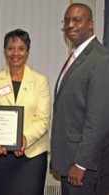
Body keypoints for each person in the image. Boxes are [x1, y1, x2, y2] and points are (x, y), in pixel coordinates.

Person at [51, 3, 109, 195]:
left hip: (83, 166)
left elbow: (98, 119)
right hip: (69, 162)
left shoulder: (101, 59)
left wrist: (81, 164)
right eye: (66, 20)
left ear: (90, 24)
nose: (70, 25)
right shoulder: (77, 56)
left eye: (77, 20)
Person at [0, 29, 51, 195]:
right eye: (10, 48)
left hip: (31, 156)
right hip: (0, 154)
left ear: (28, 51)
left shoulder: (39, 81)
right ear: (4, 51)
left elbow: (43, 120)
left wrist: (23, 138)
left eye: (21, 48)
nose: (15, 53)